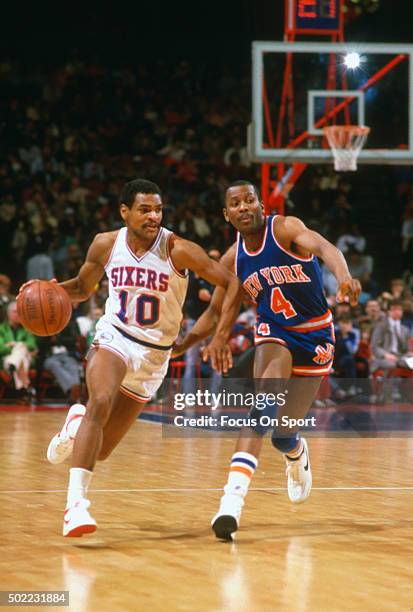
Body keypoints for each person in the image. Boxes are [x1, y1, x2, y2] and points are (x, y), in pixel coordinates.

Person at [18, 179, 241, 537]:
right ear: (125, 212)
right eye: (145, 209)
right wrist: (45, 292)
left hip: (155, 357)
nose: (154, 216)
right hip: (115, 338)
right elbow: (81, 287)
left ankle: (76, 423)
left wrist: (218, 334)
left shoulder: (178, 250)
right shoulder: (106, 244)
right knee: (101, 400)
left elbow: (231, 283)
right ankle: (76, 506)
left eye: (158, 209)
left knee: (102, 450)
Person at [174, 180, 361, 540]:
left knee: (282, 434)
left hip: (317, 334)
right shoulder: (233, 259)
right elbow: (214, 312)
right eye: (235, 203)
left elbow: (325, 247)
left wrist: (345, 276)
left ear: (261, 204)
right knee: (262, 408)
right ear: (226, 214)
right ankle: (231, 503)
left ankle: (295, 451)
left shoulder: (284, 228)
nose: (244, 207)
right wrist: (183, 346)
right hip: (275, 334)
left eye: (249, 200)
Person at [0, 301, 37, 402]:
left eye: (20, 312)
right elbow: (1, 348)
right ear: (8, 313)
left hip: (22, 358)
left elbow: (32, 345)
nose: (18, 315)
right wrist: (19, 346)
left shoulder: (27, 329)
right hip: (7, 358)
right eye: (15, 312)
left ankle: (13, 365)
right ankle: (24, 388)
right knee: (21, 351)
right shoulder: (1, 329)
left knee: (20, 348)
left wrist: (14, 345)